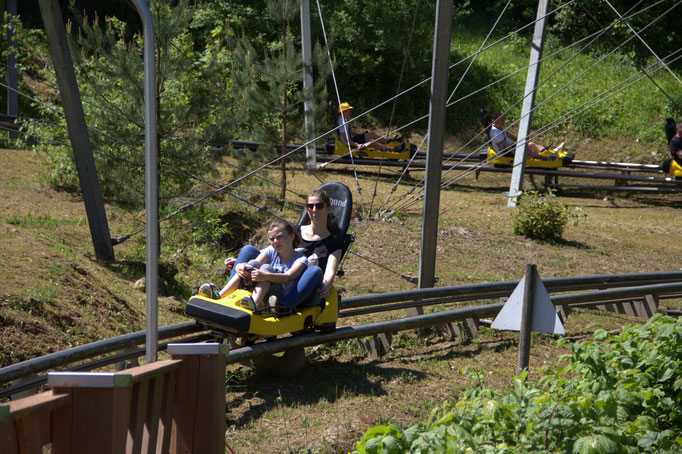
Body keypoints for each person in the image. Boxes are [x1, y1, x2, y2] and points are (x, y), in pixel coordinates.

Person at [224, 188, 344, 307]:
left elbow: (330, 273)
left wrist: (325, 286)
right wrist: (241, 263)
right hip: (277, 280)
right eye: (310, 206)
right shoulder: (296, 231)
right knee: (248, 250)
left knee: (314, 270)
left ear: (329, 208)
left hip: (305, 289)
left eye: (319, 206)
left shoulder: (333, 243)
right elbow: (270, 251)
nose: (314, 210)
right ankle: (223, 295)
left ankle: (283, 307)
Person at [219, 220, 307, 311]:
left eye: (280, 237)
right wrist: (241, 266)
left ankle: (254, 304)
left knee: (266, 268)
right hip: (262, 289)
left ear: (292, 236)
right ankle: (220, 295)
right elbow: (255, 263)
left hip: (279, 297)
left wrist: (265, 276)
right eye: (272, 239)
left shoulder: (300, 259)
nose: (275, 241)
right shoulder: (271, 250)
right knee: (251, 265)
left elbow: (288, 277)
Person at [489, 112, 560, 161]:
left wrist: (523, 141)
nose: (503, 122)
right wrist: (515, 153)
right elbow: (505, 145)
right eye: (501, 120)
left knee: (530, 144)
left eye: (503, 120)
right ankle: (545, 158)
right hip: (506, 151)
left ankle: (549, 151)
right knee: (525, 148)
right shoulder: (494, 131)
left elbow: (512, 137)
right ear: (495, 120)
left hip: (510, 147)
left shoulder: (501, 127)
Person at [337, 102, 402, 152]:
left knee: (371, 134)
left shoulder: (344, 120)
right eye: (349, 110)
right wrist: (357, 145)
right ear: (344, 111)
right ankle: (393, 149)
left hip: (353, 138)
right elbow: (347, 140)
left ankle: (390, 141)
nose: (350, 112)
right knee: (371, 142)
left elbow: (348, 131)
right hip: (350, 143)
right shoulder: (341, 123)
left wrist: (359, 135)